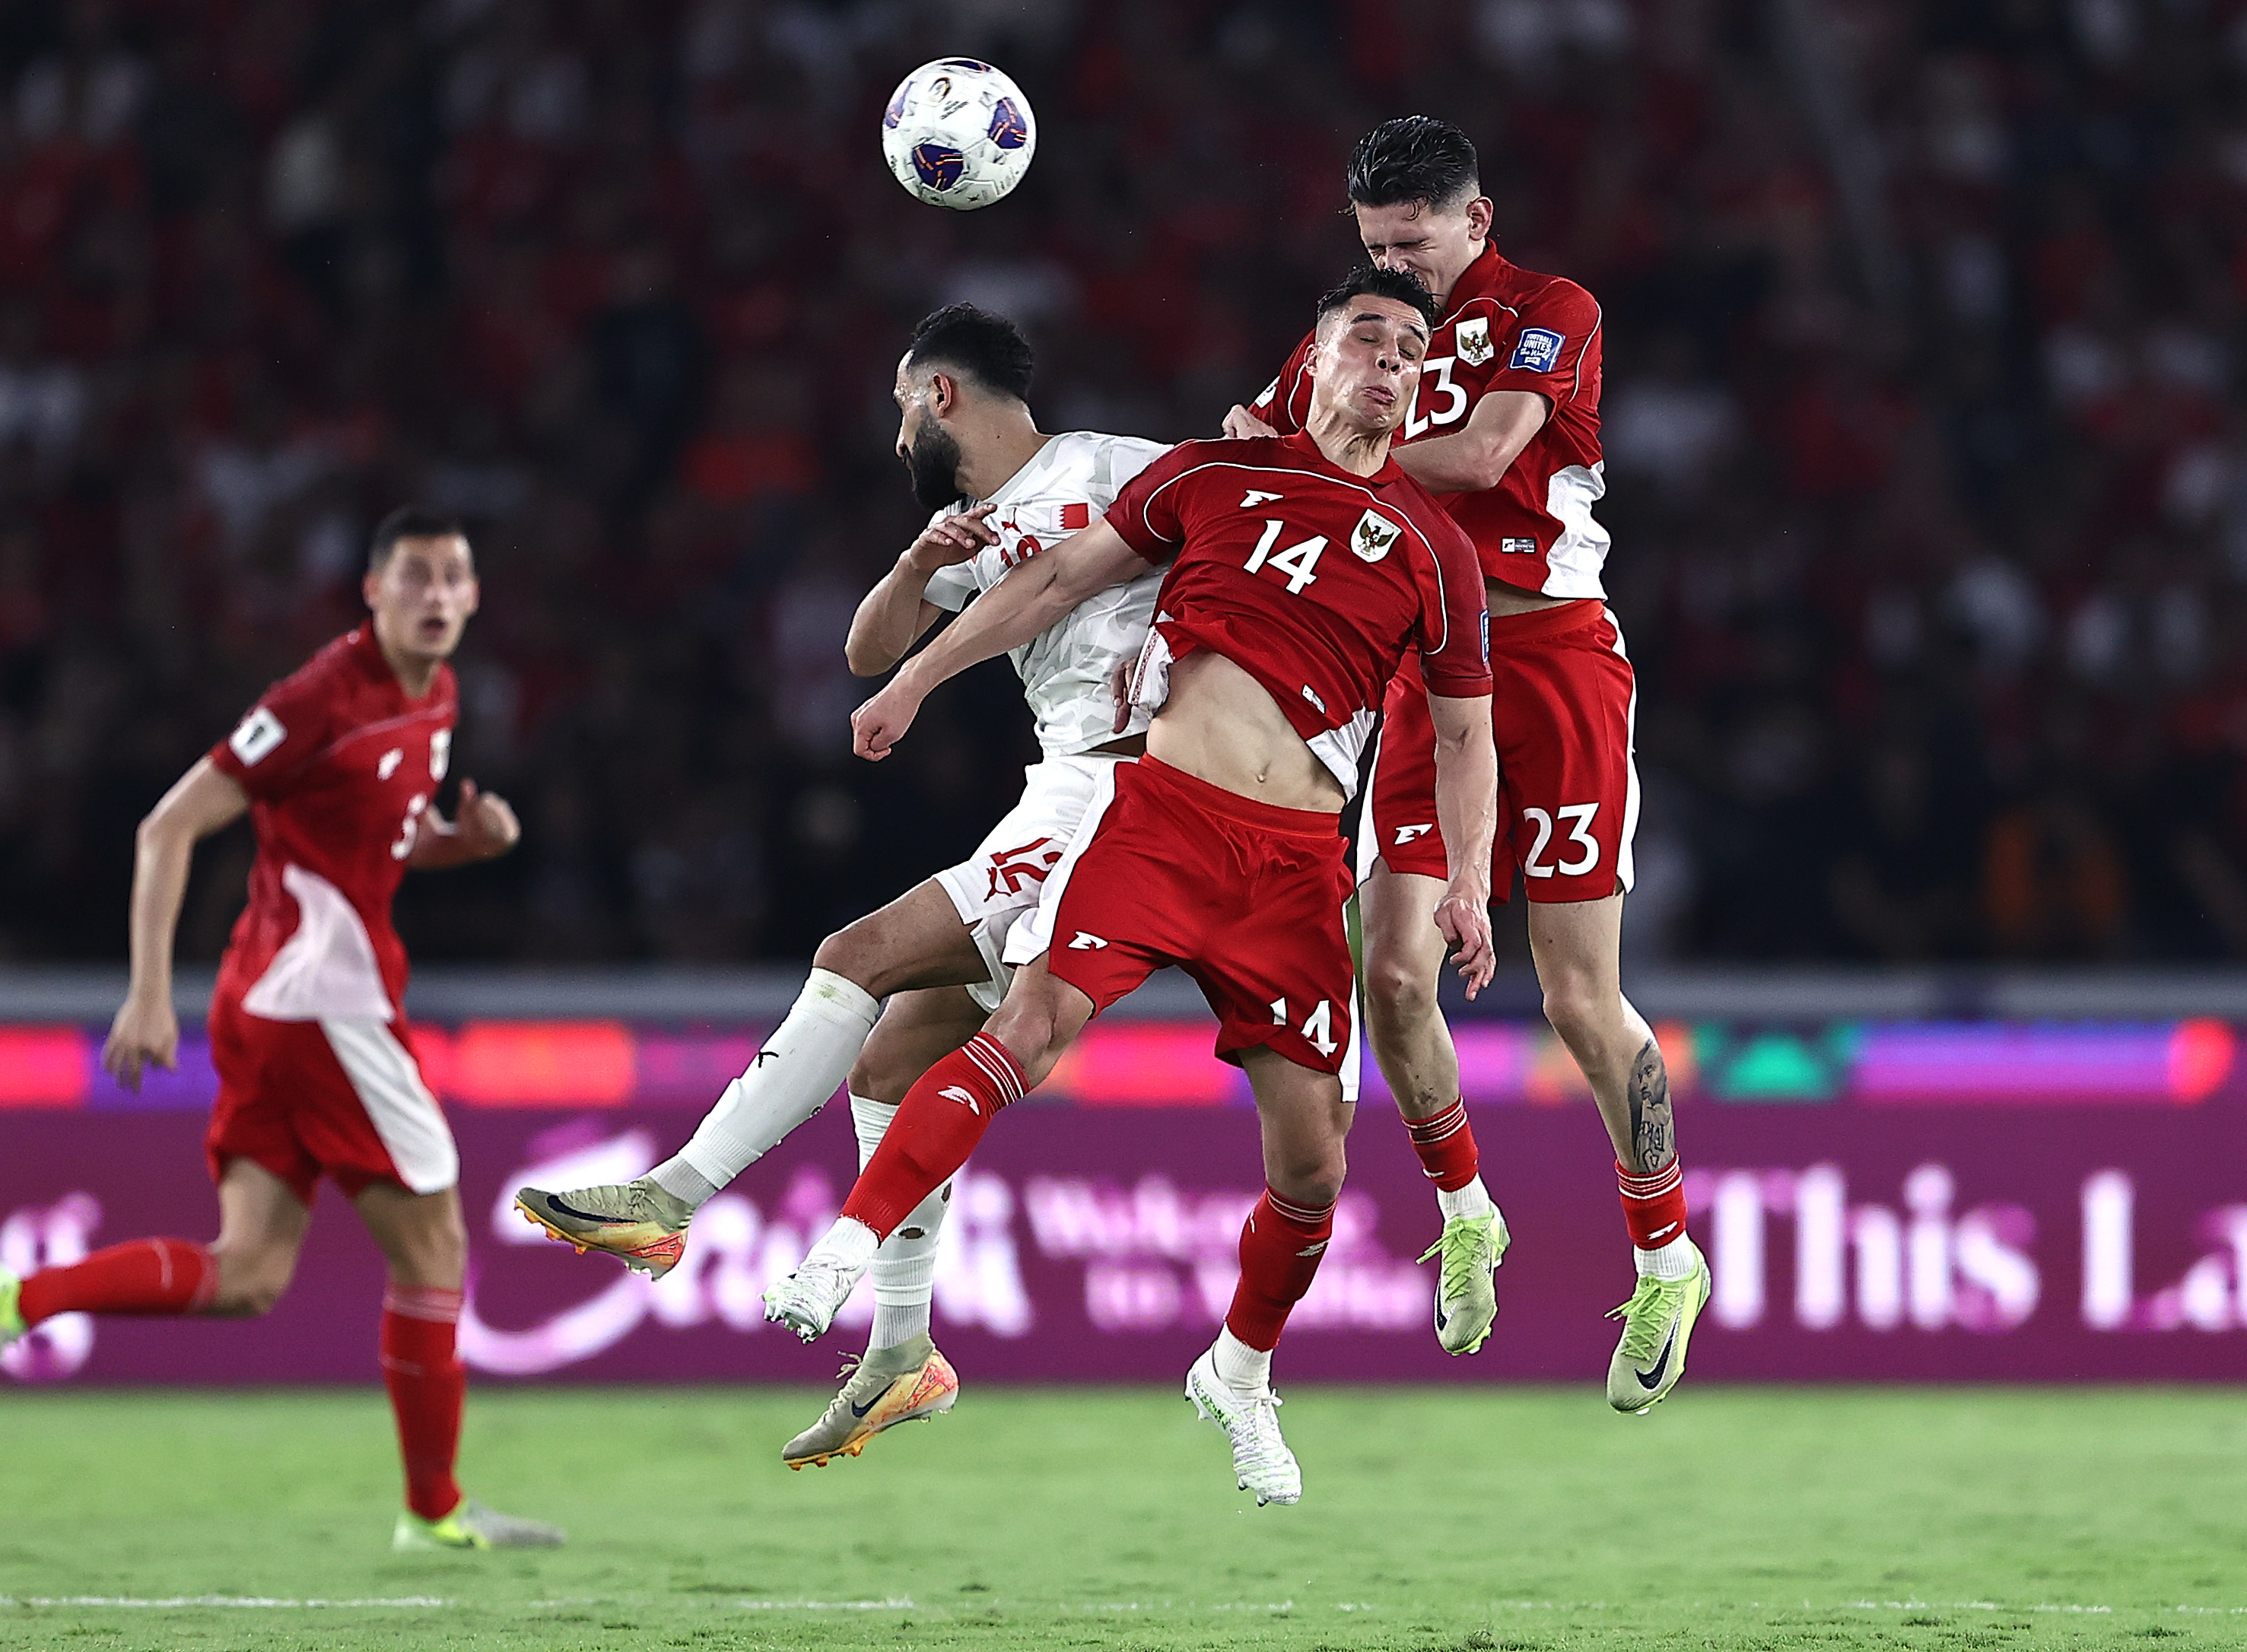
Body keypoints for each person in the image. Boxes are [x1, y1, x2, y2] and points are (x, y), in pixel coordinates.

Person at [764, 268, 1497, 1507]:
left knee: (1313, 1169)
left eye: (1409, 349)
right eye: (1363, 338)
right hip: (1163, 820)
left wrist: (1468, 882)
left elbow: (1468, 736)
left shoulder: (1436, 552)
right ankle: (841, 1249)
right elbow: (1049, 585)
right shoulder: (1211, 477)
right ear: (1311, 362)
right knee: (1027, 1029)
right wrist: (910, 683)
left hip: (1296, 871)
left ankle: (1240, 1374)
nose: (1388, 361)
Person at [512, 304, 1169, 1469]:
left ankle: (672, 1199)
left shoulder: (1125, 468)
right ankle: (903, 1352)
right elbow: (869, 646)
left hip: (1133, 790)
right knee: (889, 1053)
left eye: (898, 405)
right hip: (1061, 785)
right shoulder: (966, 532)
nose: (894, 431)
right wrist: (918, 567)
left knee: (853, 957)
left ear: (939, 395)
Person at [0, 507, 563, 1553]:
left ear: (477, 593)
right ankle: (434, 1509)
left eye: (454, 578)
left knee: (250, 1273)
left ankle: (8, 1300)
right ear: (370, 589)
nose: (437, 597)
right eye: (414, 578)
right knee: (436, 1243)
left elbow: (373, 849)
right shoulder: (316, 699)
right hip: (322, 1003)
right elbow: (166, 827)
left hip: (277, 998)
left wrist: (462, 843)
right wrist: (143, 992)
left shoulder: (437, 694)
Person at [1225, 116, 1708, 1413]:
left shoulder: (1550, 309)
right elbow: (1244, 464)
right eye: (1378, 249)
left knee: (1572, 998)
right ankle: (1467, 1215)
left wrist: (1311, 460)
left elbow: (1493, 455)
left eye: (1419, 244)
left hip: (1549, 664)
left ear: (1475, 223)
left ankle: (1664, 1253)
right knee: (1387, 976)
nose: (1402, 275)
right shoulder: (1345, 341)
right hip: (1416, 674)